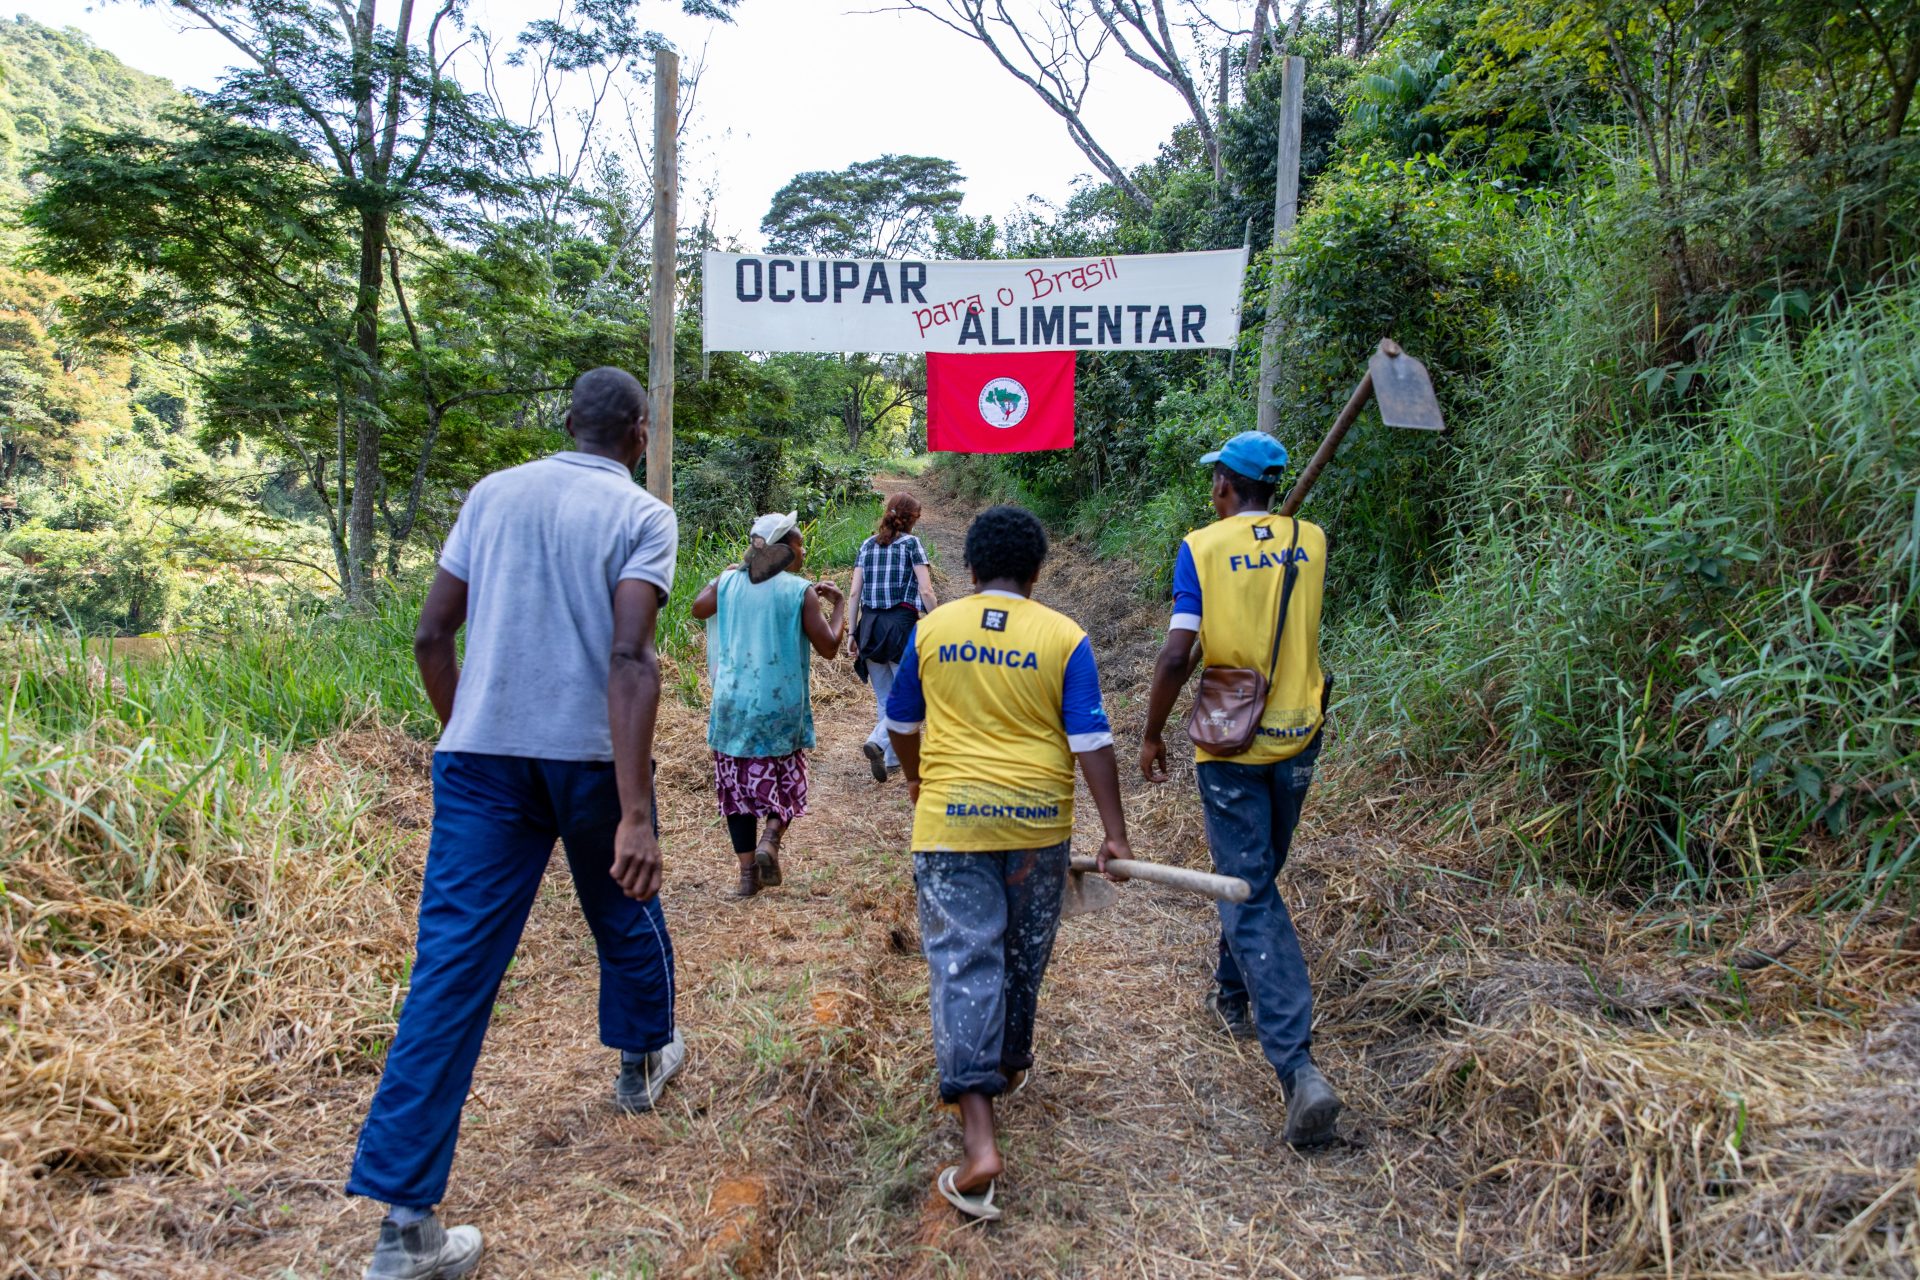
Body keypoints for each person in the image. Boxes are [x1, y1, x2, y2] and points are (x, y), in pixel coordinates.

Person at [346, 367, 683, 1280]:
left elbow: (430, 635)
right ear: (639, 434)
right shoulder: (643, 516)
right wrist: (637, 812)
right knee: (625, 907)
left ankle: (405, 1228)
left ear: (566, 422)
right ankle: (640, 1063)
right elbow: (630, 657)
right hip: (586, 759)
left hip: (479, 760)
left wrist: (465, 724)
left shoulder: (492, 494)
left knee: (449, 975)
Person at [885, 504, 1131, 1221]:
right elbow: (1090, 739)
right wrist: (1113, 833)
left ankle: (980, 1138)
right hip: (1037, 824)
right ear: (1036, 573)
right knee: (1023, 955)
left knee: (965, 959)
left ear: (968, 570)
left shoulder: (934, 630)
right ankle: (1009, 1062)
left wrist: (915, 779)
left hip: (951, 823)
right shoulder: (1063, 637)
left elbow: (902, 723)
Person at [1137, 430, 1341, 1149]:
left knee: (1248, 887)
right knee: (1258, 874)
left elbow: (1174, 653)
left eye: (1215, 479)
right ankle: (1232, 992)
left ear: (1225, 483)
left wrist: (1152, 732)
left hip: (1229, 742)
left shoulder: (1202, 547)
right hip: (1300, 733)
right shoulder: (1310, 538)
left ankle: (1298, 1068)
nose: (1212, 490)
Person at [691, 511, 847, 898]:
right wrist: (841, 605)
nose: (803, 548)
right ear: (781, 551)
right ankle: (771, 840)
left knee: (736, 791)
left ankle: (747, 877)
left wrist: (728, 573)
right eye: (797, 543)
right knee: (788, 780)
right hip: (779, 708)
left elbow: (698, 607)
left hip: (731, 707)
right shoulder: (799, 591)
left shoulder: (729, 582)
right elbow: (829, 647)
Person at [848, 492, 938, 782]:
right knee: (910, 695)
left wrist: (852, 632)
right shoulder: (911, 545)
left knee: (885, 696)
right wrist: (938, 621)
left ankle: (890, 757)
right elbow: (925, 591)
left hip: (870, 626)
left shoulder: (866, 545)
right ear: (912, 519)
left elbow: (854, 593)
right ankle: (877, 740)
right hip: (899, 626)